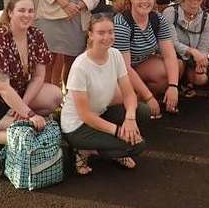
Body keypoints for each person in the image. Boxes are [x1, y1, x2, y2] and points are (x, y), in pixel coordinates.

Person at [0, 0, 61, 159]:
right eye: (21, 10)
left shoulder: (36, 35)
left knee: (55, 95)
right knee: (29, 133)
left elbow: (38, 77)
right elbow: (2, 87)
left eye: (31, 11)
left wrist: (23, 106)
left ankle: (16, 121)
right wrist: (29, 114)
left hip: (15, 95)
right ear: (10, 12)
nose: (27, 15)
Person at [61, 14, 148, 174]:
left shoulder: (115, 55)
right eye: (101, 33)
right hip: (77, 126)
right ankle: (82, 149)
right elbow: (85, 115)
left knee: (142, 112)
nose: (107, 37)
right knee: (137, 146)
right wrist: (118, 131)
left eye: (110, 32)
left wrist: (129, 120)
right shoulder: (80, 66)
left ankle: (111, 148)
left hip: (100, 113)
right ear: (91, 34)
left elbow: (129, 94)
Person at [113, 0, 180, 116]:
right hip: (116, 71)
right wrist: (149, 97)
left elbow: (169, 55)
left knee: (175, 67)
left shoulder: (158, 20)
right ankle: (137, 101)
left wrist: (173, 87)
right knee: (119, 96)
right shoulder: (122, 24)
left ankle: (140, 98)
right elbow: (125, 68)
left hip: (139, 64)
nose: (145, 1)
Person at [163, 0, 209, 97]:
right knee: (178, 64)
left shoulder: (208, 19)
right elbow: (172, 42)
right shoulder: (170, 12)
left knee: (201, 78)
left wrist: (201, 61)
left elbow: (204, 47)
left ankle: (187, 82)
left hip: (192, 59)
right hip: (171, 55)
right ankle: (173, 85)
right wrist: (192, 51)